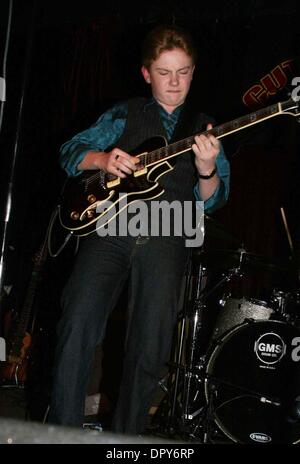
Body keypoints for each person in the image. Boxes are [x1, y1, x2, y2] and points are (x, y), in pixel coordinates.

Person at [48, 24, 230, 435]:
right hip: (110, 229)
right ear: (147, 73)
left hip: (167, 235)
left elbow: (215, 199)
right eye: (164, 73)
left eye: (183, 72)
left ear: (194, 72)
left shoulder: (205, 127)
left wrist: (205, 171)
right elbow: (69, 152)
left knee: (149, 347)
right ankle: (59, 432)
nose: (174, 82)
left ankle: (126, 438)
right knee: (77, 322)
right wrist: (102, 159)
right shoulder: (124, 113)